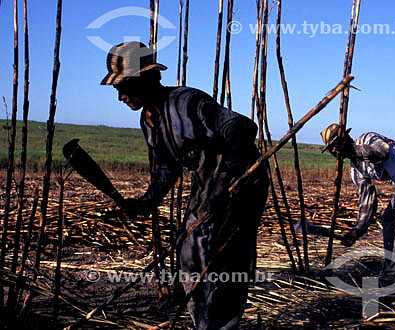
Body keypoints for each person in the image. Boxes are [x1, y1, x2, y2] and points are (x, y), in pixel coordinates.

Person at [101, 41, 269, 329]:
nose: (121, 96)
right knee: (190, 252)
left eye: (125, 86)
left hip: (241, 182)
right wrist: (148, 200)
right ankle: (201, 322)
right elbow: (167, 166)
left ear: (149, 78)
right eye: (118, 89)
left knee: (224, 257)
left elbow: (242, 128)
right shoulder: (149, 121)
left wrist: (222, 183)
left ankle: (220, 324)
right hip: (209, 184)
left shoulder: (186, 102)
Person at [320, 123, 395, 284]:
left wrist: (353, 150)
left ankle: (392, 278)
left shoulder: (367, 139)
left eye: (335, 145)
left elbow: (382, 152)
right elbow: (367, 199)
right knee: (389, 219)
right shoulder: (356, 170)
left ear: (345, 139)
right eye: (330, 148)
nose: (334, 150)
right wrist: (358, 230)